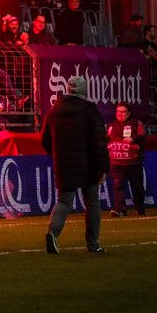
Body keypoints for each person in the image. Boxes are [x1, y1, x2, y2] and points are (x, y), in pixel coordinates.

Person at [41, 75, 109, 254]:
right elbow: (99, 142)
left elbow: (44, 139)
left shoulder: (54, 110)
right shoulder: (90, 110)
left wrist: (58, 155)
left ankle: (53, 232)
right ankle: (93, 243)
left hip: (64, 163)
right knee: (92, 202)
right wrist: (103, 167)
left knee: (64, 201)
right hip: (88, 163)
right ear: (84, 90)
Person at [106, 102, 147, 216]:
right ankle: (119, 209)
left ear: (128, 113)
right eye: (118, 112)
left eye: (123, 112)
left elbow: (142, 137)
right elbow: (107, 140)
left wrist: (133, 139)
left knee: (137, 186)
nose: (120, 114)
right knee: (117, 186)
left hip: (133, 162)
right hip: (116, 162)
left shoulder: (136, 123)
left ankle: (139, 207)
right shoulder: (111, 126)